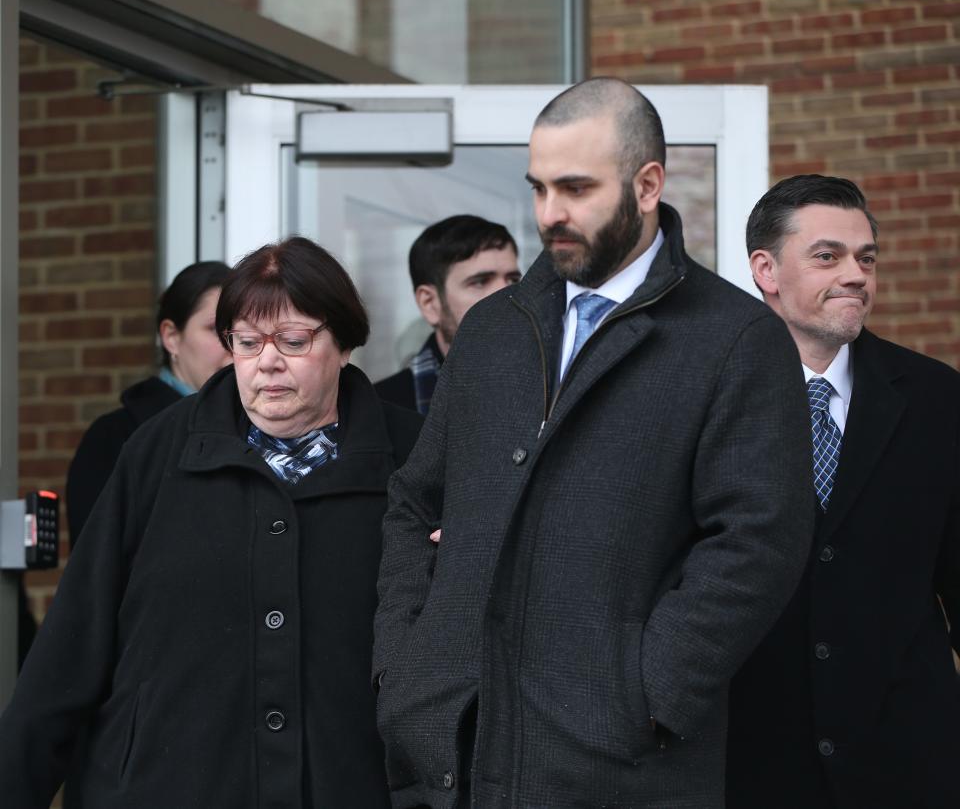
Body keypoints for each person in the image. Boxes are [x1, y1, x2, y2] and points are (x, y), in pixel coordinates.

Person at [373, 77, 814, 808]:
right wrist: (405, 665)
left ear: (647, 184)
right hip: (454, 751)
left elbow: (758, 542)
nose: (550, 214)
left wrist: (646, 690)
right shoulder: (493, 328)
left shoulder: (734, 340)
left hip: (618, 767)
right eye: (539, 188)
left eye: (575, 187)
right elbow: (414, 503)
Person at [0, 237, 422, 808]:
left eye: (294, 341)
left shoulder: (415, 456)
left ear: (345, 344)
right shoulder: (157, 452)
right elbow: (72, 645)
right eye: (246, 343)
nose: (268, 361)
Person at [727, 175, 960, 809]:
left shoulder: (938, 399)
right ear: (766, 270)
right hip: (749, 762)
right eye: (828, 256)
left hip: (908, 764)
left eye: (866, 257)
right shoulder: (706, 400)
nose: (855, 273)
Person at [66, 260, 232, 547]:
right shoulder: (115, 437)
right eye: (216, 329)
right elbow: (96, 566)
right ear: (171, 337)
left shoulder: (262, 432)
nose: (233, 345)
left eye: (241, 332)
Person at [374, 214, 520, 414]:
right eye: (480, 282)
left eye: (513, 280)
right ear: (430, 303)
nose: (508, 295)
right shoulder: (382, 409)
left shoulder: (552, 388)